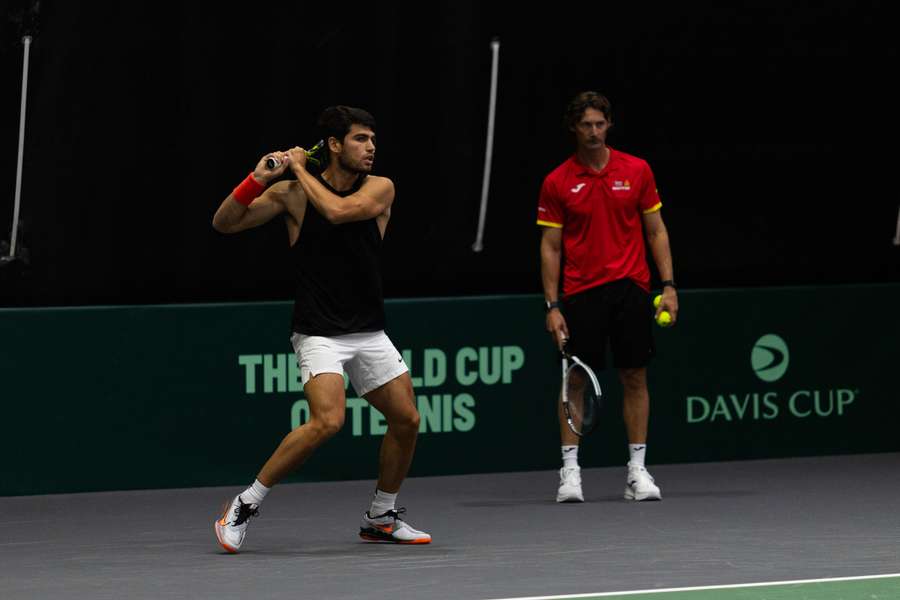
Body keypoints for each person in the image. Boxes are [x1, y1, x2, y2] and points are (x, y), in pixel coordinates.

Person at [211, 106, 431, 552]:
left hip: (368, 331)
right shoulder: (292, 194)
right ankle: (243, 505)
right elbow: (225, 223)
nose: (371, 147)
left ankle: (381, 516)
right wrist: (258, 178)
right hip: (318, 332)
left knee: (407, 420)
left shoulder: (380, 188)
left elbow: (337, 211)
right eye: (360, 139)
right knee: (328, 420)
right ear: (334, 144)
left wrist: (296, 167)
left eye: (372, 139)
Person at [537, 91, 678, 503]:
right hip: (581, 294)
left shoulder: (637, 170)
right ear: (573, 129)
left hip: (632, 289)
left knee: (635, 377)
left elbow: (656, 231)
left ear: (609, 125)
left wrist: (668, 286)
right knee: (575, 380)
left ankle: (636, 471)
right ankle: (570, 472)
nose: (594, 132)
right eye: (586, 125)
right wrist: (552, 306)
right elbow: (551, 248)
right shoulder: (557, 181)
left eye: (600, 124)